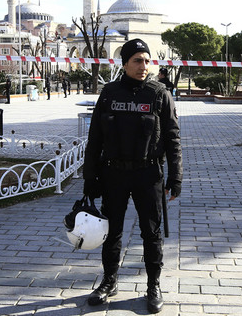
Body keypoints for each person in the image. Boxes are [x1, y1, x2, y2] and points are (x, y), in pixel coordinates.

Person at [83, 39, 183, 314]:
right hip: (113, 173)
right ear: (124, 63)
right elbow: (95, 139)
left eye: (146, 60)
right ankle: (109, 281)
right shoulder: (110, 93)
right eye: (137, 60)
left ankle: (153, 285)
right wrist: (89, 177)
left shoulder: (160, 93)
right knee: (111, 232)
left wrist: (176, 176)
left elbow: (173, 138)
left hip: (148, 174)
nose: (143, 66)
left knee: (151, 234)